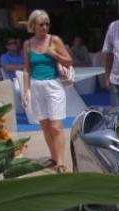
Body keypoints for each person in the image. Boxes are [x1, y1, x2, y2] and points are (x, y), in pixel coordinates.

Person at [22, 10, 73, 173]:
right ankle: (53, 157)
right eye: (41, 24)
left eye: (46, 24)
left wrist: (53, 54)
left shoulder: (54, 40)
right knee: (45, 125)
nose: (44, 27)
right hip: (37, 86)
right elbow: (26, 69)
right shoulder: (28, 44)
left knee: (57, 126)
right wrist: (25, 92)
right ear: (33, 26)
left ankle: (60, 162)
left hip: (53, 86)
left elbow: (69, 61)